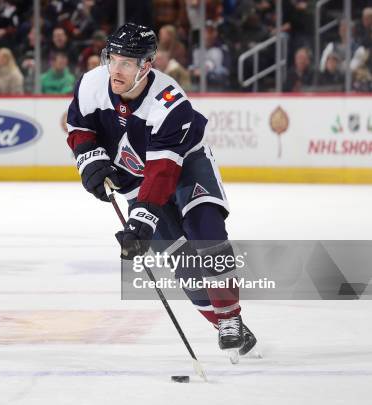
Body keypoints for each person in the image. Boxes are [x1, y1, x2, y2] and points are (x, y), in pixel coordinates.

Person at [66, 22, 258, 360]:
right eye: (113, 58)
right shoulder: (91, 84)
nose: (117, 68)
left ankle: (230, 317)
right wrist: (90, 160)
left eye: (127, 62)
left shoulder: (169, 102)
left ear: (146, 66)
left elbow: (163, 172)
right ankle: (226, 326)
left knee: (205, 230)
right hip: (133, 175)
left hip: (186, 164)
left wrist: (140, 221)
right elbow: (79, 127)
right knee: (180, 260)